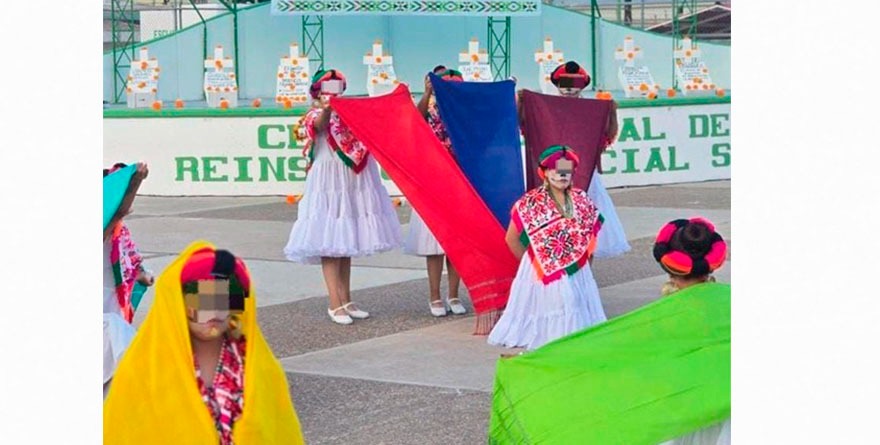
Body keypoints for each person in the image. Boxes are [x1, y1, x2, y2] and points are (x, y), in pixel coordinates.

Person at [104, 242, 305, 444]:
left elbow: (280, 432)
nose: (214, 311)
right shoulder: (144, 368)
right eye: (202, 300)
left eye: (225, 300)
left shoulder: (258, 367)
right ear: (179, 303)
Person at [284, 69, 402, 325]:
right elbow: (319, 125)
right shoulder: (313, 113)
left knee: (345, 240)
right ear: (318, 92)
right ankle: (334, 303)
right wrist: (329, 108)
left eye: (337, 87)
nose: (333, 92)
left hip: (350, 178)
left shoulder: (349, 111)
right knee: (329, 241)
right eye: (327, 88)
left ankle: (346, 299)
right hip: (328, 179)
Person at [487, 145, 606, 350]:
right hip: (541, 268)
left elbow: (589, 238)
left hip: (577, 269)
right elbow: (511, 238)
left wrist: (584, 267)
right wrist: (532, 265)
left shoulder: (581, 200)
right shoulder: (531, 202)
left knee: (573, 301)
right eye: (556, 170)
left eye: (566, 170)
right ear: (545, 172)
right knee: (558, 302)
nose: (562, 175)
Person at [653, 217, 731, 444]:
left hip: (685, 404)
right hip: (721, 400)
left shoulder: (664, 314)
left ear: (670, 269)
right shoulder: (727, 302)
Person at [549, 61, 631, 259]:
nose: (569, 89)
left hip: (584, 166)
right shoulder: (548, 108)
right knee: (561, 214)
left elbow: (605, 136)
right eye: (565, 84)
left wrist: (609, 111)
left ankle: (586, 265)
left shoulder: (592, 109)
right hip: (559, 166)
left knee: (586, 217)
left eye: (574, 84)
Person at [406, 65, 466, 317]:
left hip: (459, 180)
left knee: (457, 242)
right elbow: (414, 121)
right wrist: (427, 93)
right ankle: (434, 296)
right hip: (432, 179)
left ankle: (454, 294)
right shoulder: (428, 109)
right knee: (433, 241)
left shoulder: (463, 111)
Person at [103, 162, 152, 399]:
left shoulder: (119, 233)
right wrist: (134, 183)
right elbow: (118, 212)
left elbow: (127, 261)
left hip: (111, 307)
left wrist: (141, 273)